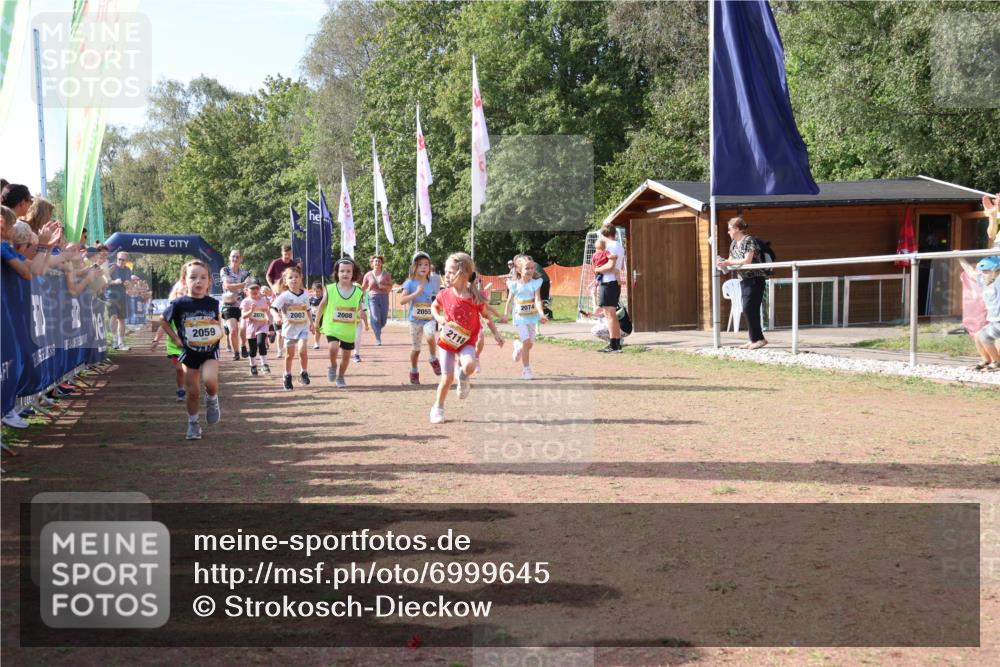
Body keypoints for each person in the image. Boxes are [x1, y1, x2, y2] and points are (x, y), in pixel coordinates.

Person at [429, 252, 504, 424]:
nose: (445, 275)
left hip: (466, 342)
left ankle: (463, 377)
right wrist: (439, 319)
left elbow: (486, 316)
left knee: (470, 364)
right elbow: (434, 306)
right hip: (447, 342)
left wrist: (496, 333)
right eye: (445, 271)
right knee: (446, 378)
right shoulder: (444, 294)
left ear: (463, 273)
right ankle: (438, 407)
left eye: (450, 271)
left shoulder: (475, 297)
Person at [160, 260, 223, 440]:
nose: (198, 281)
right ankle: (193, 424)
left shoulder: (212, 303)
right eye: (193, 277)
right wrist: (175, 337)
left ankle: (212, 400)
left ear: (209, 282)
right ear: (184, 280)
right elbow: (162, 320)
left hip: (210, 350)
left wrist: (219, 330)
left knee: (210, 381)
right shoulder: (179, 303)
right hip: (189, 352)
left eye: (203, 277)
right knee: (193, 392)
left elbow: (217, 320)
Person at [316, 257, 369, 388]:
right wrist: (316, 322)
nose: (345, 274)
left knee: (346, 358)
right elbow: (322, 306)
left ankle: (340, 376)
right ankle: (333, 365)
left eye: (348, 271)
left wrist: (363, 318)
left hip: (348, 329)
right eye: (342, 271)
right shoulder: (330, 289)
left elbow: (360, 308)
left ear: (353, 274)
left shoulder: (358, 292)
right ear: (337, 273)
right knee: (333, 347)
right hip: (332, 326)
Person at [717, 216, 768, 349]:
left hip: (756, 279)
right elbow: (731, 260)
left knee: (749, 308)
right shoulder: (733, 243)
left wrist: (728, 262)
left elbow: (747, 260)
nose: (728, 232)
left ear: (737, 229)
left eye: (730, 229)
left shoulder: (749, 240)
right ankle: (754, 339)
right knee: (747, 308)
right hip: (744, 279)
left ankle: (759, 339)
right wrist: (723, 263)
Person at [398, 251, 442, 384]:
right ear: (414, 267)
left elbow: (436, 297)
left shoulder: (432, 281)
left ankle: (433, 358)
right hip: (414, 320)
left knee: (430, 337)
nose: (423, 267)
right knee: (416, 349)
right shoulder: (410, 283)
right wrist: (416, 292)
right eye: (420, 264)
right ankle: (414, 370)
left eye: (426, 264)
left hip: (428, 317)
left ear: (429, 267)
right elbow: (402, 301)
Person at [270, 266, 315, 390]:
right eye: (290, 277)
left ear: (301, 278)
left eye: (296, 277)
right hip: (289, 330)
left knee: (302, 350)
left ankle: (304, 372)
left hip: (303, 328)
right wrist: (276, 317)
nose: (294, 279)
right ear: (285, 281)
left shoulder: (305, 295)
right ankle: (287, 375)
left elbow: (308, 309)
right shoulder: (284, 296)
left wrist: (312, 323)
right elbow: (272, 308)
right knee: (289, 355)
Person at [505, 254, 547, 380]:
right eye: (527, 268)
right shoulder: (514, 284)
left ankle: (518, 347)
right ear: (519, 270)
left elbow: (537, 299)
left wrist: (541, 314)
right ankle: (526, 370)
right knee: (527, 341)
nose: (530, 271)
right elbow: (510, 301)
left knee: (529, 345)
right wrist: (505, 315)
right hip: (520, 318)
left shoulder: (536, 283)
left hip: (532, 318)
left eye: (532, 268)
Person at [959, 256, 1000, 371]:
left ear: (997, 271)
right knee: (977, 336)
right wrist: (959, 257)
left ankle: (997, 362)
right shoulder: (985, 281)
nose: (983, 274)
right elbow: (970, 272)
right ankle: (986, 359)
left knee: (985, 337)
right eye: (982, 271)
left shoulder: (998, 281)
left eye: (986, 271)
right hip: (993, 320)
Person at [151, 281, 189, 401]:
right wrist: (156, 340)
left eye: (185, 292)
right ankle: (181, 390)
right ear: (175, 294)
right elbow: (163, 325)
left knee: (190, 370)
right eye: (180, 293)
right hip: (175, 344)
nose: (183, 295)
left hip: (191, 345)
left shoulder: (194, 308)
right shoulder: (171, 309)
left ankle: (192, 389)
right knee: (180, 369)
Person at [593, 223, 625, 353]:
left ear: (603, 234)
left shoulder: (608, 246)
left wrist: (597, 269)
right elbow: (620, 266)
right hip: (614, 283)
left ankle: (613, 344)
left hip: (607, 282)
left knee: (609, 315)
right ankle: (616, 343)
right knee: (612, 315)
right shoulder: (620, 247)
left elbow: (610, 266)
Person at [220, 248, 250, 361]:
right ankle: (236, 352)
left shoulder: (245, 273)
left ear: (240, 259)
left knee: (243, 328)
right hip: (229, 304)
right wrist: (242, 284)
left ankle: (243, 346)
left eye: (237, 257)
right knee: (233, 330)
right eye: (233, 256)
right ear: (229, 258)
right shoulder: (225, 270)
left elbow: (249, 288)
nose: (235, 258)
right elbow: (227, 286)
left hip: (242, 304)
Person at [240, 279, 273, 376]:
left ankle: (264, 364)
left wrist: (268, 320)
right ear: (246, 290)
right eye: (252, 288)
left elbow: (266, 311)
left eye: (257, 288)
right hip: (251, 327)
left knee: (261, 342)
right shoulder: (245, 302)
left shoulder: (263, 300)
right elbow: (243, 316)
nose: (255, 290)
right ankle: (253, 365)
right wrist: (251, 310)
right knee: (253, 348)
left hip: (262, 326)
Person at [361, 255, 393, 346]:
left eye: (379, 261)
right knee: (375, 317)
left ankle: (376, 327)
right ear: (372, 263)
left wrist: (383, 286)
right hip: (372, 297)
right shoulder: (368, 275)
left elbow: (390, 286)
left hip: (384, 297)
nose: (377, 263)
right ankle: (378, 338)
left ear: (382, 263)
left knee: (383, 320)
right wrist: (357, 294)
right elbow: (364, 287)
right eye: (375, 261)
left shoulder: (386, 274)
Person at [106, 251, 133, 350]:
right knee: (113, 316)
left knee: (121, 320)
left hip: (122, 297)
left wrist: (128, 285)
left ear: (127, 261)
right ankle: (114, 340)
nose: (121, 261)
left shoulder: (127, 270)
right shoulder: (112, 267)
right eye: (119, 259)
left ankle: (121, 343)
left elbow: (129, 285)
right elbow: (104, 281)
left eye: (123, 260)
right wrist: (114, 281)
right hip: (111, 296)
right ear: (116, 259)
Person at [308, 281, 324, 350]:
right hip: (314, 317)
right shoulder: (311, 299)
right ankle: (316, 342)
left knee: (318, 330)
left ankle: (316, 343)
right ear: (312, 291)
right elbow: (307, 308)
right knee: (315, 331)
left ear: (321, 291)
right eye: (315, 291)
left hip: (322, 317)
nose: (317, 293)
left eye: (318, 291)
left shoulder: (323, 299)